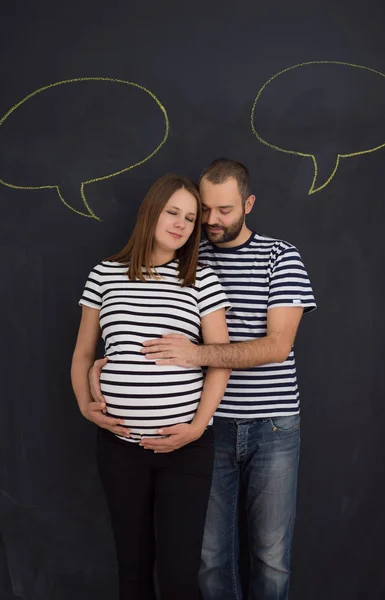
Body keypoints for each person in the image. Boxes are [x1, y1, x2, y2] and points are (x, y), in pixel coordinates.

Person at [90, 159, 316, 600]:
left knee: (270, 556)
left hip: (272, 423)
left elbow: (277, 347)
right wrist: (110, 366)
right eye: (204, 210)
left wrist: (197, 353)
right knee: (210, 559)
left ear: (248, 205)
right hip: (207, 427)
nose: (210, 221)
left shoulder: (280, 255)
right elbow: (141, 314)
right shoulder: (188, 254)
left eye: (224, 210)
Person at [71, 173, 231, 600]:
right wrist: (85, 405)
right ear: (151, 212)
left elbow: (221, 360)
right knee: (133, 571)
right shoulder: (105, 274)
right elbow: (84, 352)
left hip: (186, 451)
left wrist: (197, 427)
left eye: (190, 218)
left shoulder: (201, 279)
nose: (181, 224)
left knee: (180, 578)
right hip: (120, 449)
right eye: (172, 212)